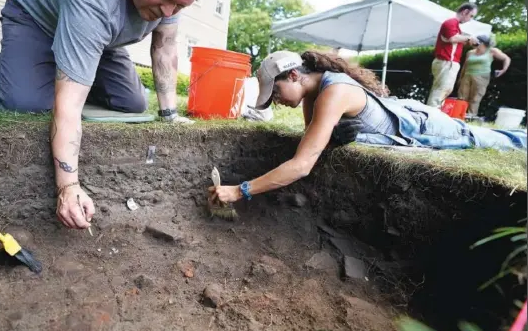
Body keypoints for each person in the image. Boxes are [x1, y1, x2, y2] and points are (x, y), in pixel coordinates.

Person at [0, 0, 214, 230]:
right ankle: (21, 65)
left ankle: (76, 65)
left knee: (133, 103)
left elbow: (165, 46)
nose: (169, 12)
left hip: (102, 38)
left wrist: (169, 114)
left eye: (180, 6)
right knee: (24, 101)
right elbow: (69, 105)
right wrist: (68, 185)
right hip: (36, 21)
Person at [208, 50, 526, 204]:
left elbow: (302, 165)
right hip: (403, 112)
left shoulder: (333, 93)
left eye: (274, 93)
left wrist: (240, 190)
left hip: (420, 126)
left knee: (491, 138)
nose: (275, 101)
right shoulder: (313, 94)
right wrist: (332, 139)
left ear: (293, 75)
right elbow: (314, 144)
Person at [426, 3, 480, 108]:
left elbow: (454, 40)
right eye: (471, 16)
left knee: (443, 90)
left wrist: (468, 41)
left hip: (447, 62)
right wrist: (469, 38)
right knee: (442, 89)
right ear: (465, 12)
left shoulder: (455, 26)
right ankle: (431, 115)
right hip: (446, 62)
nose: (471, 19)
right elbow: (453, 38)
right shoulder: (451, 23)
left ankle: (433, 113)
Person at [457, 34, 511, 116]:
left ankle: (470, 117)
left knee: (475, 98)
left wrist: (503, 70)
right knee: (462, 97)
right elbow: (465, 66)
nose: (473, 42)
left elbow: (506, 58)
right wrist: (460, 78)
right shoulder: (470, 52)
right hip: (467, 76)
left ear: (482, 42)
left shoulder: (492, 51)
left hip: (481, 77)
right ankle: (459, 115)